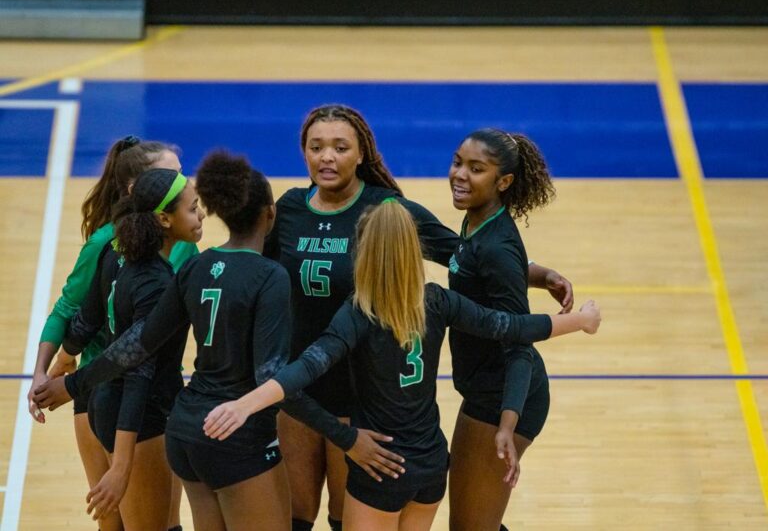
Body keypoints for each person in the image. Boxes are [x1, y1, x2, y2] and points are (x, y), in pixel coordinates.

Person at [36, 151, 404, 531]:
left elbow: (136, 345)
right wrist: (346, 438)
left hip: (186, 429)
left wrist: (74, 384)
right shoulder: (270, 276)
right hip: (236, 435)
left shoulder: (194, 265)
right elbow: (272, 378)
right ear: (270, 214)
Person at [264, 104, 574, 531]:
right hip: (299, 386)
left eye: (340, 147)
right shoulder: (290, 209)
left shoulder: (386, 208)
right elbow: (258, 282)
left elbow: (461, 253)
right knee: (293, 517)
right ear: (303, 153)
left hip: (357, 400)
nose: (327, 157)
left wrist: (540, 275)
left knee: (345, 517)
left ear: (361, 154)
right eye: (316, 147)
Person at [202, 201, 601, 531]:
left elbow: (305, 367)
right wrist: (580, 321)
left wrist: (244, 404)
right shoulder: (438, 301)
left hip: (381, 465)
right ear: (414, 250)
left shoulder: (359, 312)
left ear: (363, 251)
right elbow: (512, 326)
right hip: (430, 465)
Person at [28, 137, 195, 531]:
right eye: (172, 180)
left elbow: (85, 321)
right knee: (141, 522)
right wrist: (57, 373)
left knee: (127, 519)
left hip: (110, 396)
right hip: (130, 405)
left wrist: (65, 372)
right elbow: (81, 317)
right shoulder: (121, 253)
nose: (190, 195)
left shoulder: (160, 249)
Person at [447, 128, 564, 531]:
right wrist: (542, 273)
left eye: (476, 169)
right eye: (458, 162)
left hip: (506, 395)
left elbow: (519, 343)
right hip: (485, 388)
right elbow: (476, 265)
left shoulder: (495, 244)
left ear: (504, 182)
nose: (460, 175)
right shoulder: (478, 223)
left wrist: (507, 426)